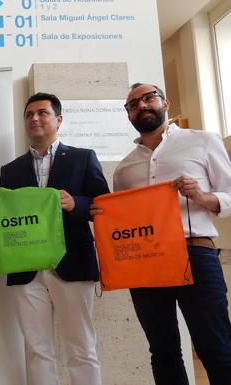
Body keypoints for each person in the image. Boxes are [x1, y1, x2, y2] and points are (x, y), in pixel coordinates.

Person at [97, 83, 231, 385]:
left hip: (194, 252)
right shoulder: (124, 169)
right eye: (133, 104)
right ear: (129, 115)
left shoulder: (204, 141)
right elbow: (125, 220)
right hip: (145, 261)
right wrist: (104, 216)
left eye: (148, 98)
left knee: (216, 346)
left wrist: (204, 197)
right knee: (163, 350)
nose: (141, 106)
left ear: (165, 102)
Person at [0, 92, 109, 385]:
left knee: (81, 348)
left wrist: (77, 204)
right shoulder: (10, 171)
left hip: (71, 263)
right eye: (29, 114)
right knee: (37, 350)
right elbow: (4, 220)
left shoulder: (83, 158)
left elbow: (105, 206)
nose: (34, 118)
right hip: (26, 270)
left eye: (42, 113)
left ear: (58, 120)